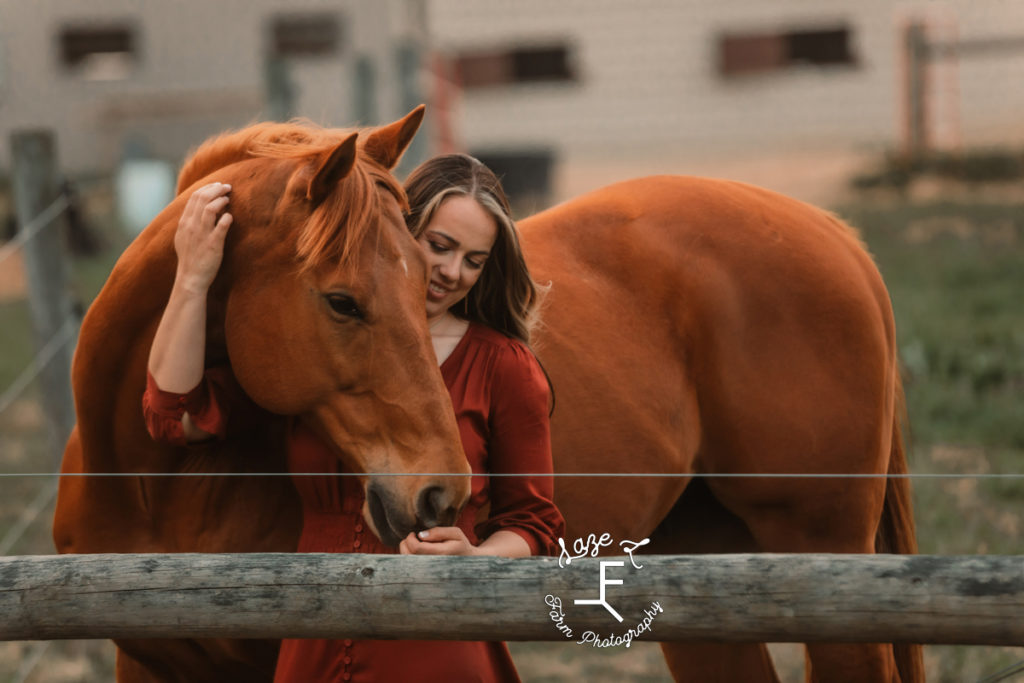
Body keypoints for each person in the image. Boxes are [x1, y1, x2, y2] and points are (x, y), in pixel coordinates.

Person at [143, 153, 564, 682]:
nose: (453, 272)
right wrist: (191, 278)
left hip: (434, 642)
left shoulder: (503, 367)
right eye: (439, 246)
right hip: (314, 634)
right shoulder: (322, 346)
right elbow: (177, 418)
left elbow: (535, 524)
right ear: (401, 232)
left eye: (474, 260)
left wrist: (475, 559)